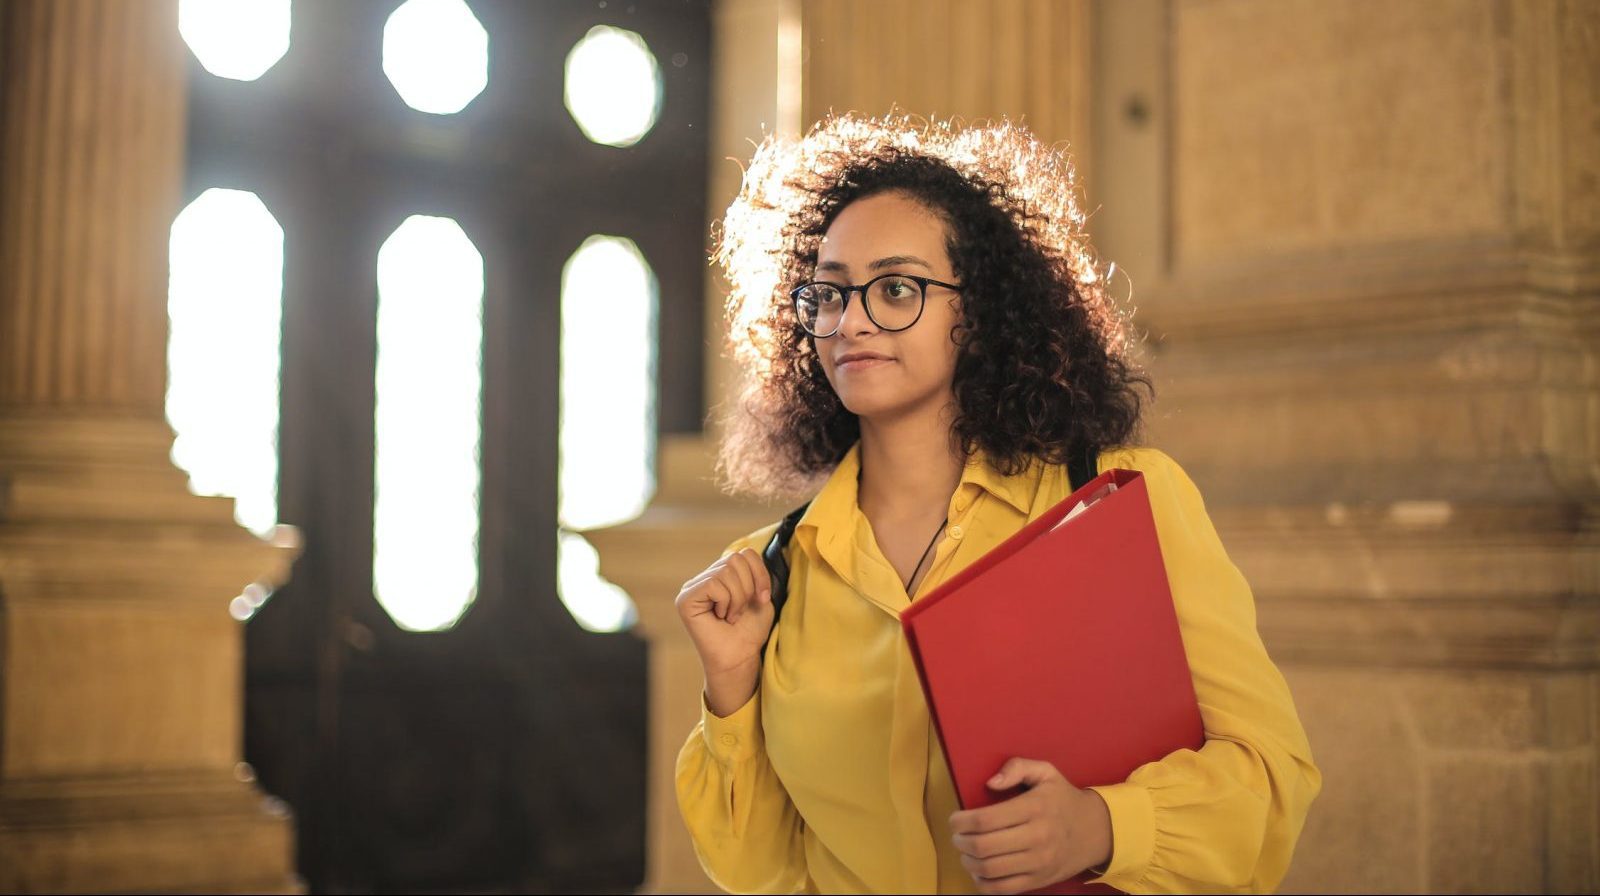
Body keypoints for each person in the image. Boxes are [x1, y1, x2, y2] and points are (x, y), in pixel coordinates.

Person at [673, 114, 1320, 895]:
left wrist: (1104, 826)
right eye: (830, 293)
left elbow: (1272, 784)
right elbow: (759, 870)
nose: (852, 321)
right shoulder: (775, 574)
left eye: (897, 288)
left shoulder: (1118, 502)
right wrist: (733, 690)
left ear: (975, 313)